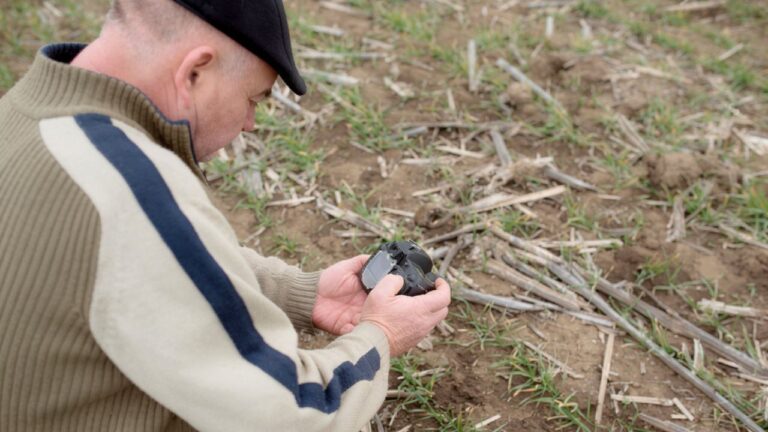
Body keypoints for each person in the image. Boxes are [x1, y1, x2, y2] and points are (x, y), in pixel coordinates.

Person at [0, 1, 451, 431]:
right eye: (253, 99)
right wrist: (381, 336)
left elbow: (148, 264)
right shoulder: (131, 189)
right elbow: (294, 414)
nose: (251, 123)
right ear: (195, 71)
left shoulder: (24, 115)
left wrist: (301, 292)